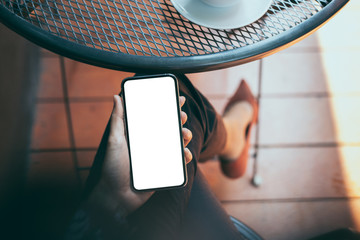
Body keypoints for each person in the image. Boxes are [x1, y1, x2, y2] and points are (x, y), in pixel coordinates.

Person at [65, 74, 258, 240]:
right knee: (177, 99)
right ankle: (235, 140)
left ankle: (234, 140)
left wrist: (111, 197)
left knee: (153, 88)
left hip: (100, 222)